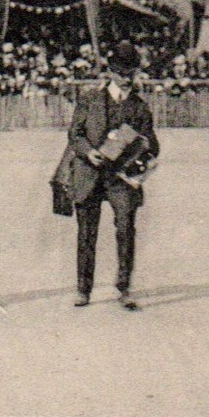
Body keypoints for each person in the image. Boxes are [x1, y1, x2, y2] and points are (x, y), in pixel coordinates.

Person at [65, 41, 160, 310]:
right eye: (122, 74)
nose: (127, 79)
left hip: (121, 179)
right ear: (111, 73)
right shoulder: (89, 99)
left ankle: (124, 287)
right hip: (89, 174)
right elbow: (75, 134)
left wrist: (142, 143)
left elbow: (153, 143)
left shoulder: (140, 107)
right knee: (86, 234)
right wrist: (88, 152)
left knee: (126, 230)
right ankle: (83, 289)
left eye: (131, 74)